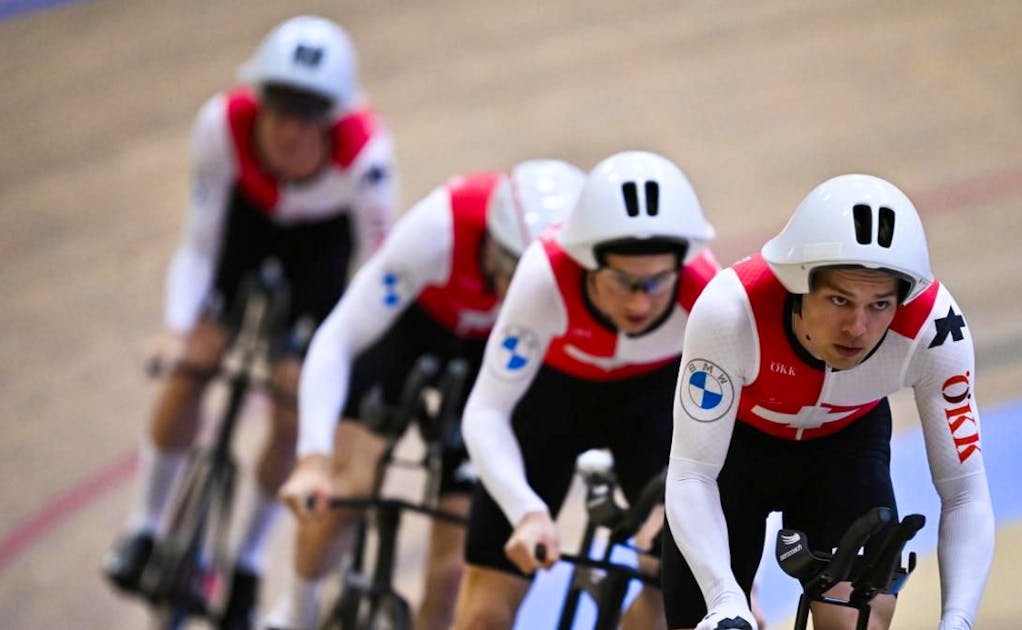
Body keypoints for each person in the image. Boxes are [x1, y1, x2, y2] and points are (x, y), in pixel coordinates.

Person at [101, 15, 397, 630]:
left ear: (333, 118)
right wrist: (180, 327)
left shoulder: (366, 158)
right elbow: (201, 246)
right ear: (258, 101)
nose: (290, 129)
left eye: (308, 115)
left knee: (293, 406)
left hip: (320, 254)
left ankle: (249, 563)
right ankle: (144, 529)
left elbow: (375, 269)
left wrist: (347, 361)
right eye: (279, 109)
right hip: (246, 231)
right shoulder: (222, 125)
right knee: (194, 363)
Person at [661, 174, 995, 630]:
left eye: (879, 305)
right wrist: (725, 598)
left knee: (857, 619)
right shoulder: (730, 309)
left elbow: (965, 492)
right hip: (736, 450)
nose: (857, 328)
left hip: (844, 449)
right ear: (798, 284)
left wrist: (958, 620)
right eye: (840, 299)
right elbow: (691, 473)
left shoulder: (935, 331)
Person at [266, 159, 586, 630]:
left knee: (454, 568)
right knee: (344, 492)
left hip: (494, 356)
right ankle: (294, 614)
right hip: (410, 329)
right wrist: (313, 456)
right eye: (512, 269)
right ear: (492, 244)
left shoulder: (579, 279)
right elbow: (337, 339)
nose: (522, 289)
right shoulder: (439, 228)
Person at [452, 150, 721, 630]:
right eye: (623, 281)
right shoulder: (545, 274)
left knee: (675, 590)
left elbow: (739, 439)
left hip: (652, 405)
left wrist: (739, 584)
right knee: (485, 612)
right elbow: (486, 412)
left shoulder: (710, 293)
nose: (641, 300)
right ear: (588, 262)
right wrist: (526, 510)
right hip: (550, 404)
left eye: (658, 281)